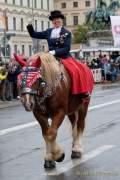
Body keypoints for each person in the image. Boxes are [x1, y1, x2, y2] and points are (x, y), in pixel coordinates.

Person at [27, 10, 93, 97]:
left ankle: (81, 92)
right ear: (52, 21)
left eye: (58, 19)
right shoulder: (49, 31)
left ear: (61, 20)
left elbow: (66, 48)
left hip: (64, 57)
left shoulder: (67, 33)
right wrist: (29, 25)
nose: (56, 21)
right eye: (54, 19)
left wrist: (53, 52)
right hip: (50, 58)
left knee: (74, 70)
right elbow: (34, 34)